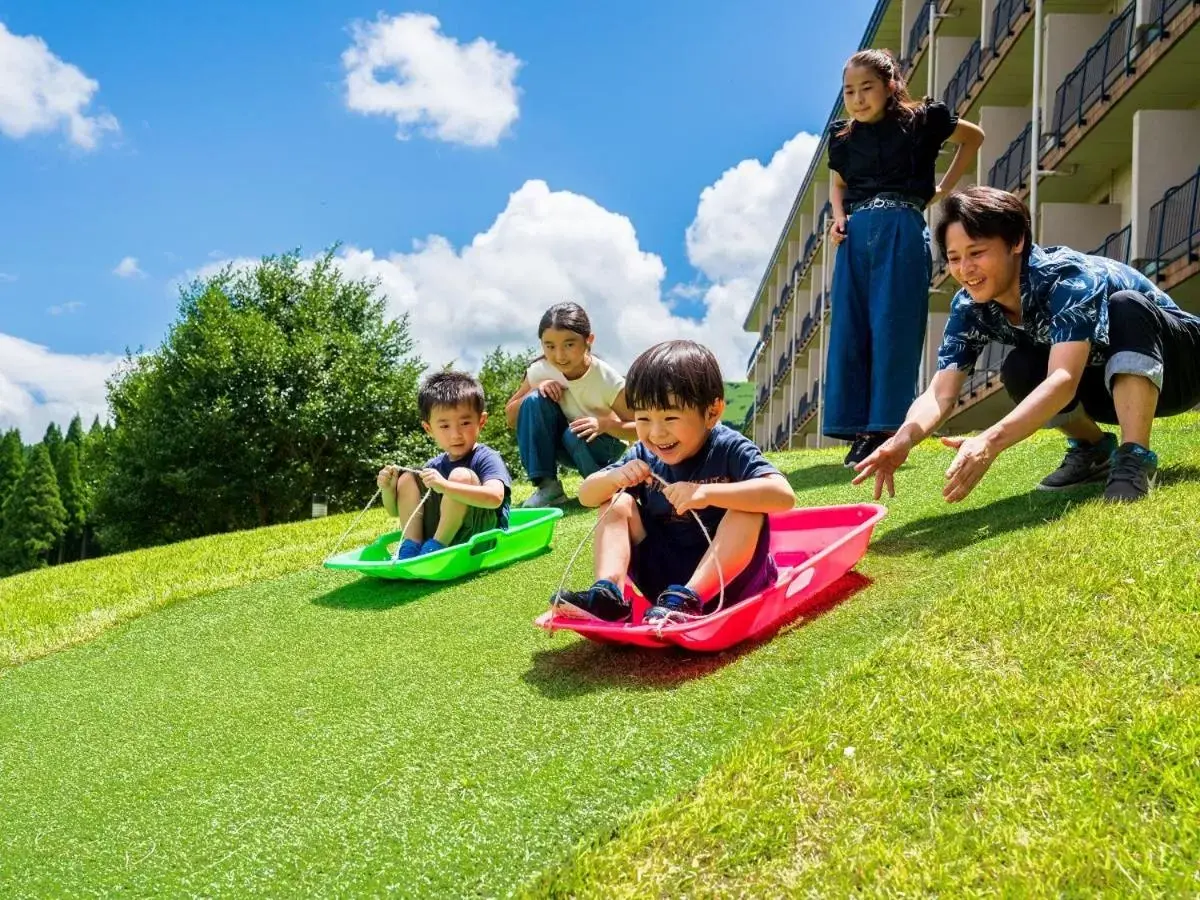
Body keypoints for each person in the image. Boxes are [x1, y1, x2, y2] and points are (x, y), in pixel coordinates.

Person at [855, 185, 1200, 504]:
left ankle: (1134, 456)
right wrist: (904, 438)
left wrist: (989, 441)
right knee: (1020, 367)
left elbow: (1064, 379)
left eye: (976, 252)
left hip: (1181, 368)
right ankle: (1094, 451)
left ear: (1017, 241)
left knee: (1126, 304)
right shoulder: (969, 306)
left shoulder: (1068, 277)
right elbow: (940, 393)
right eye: (955, 258)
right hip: (1108, 380)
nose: (965, 269)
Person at [549, 340, 795, 625]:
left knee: (747, 507)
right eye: (643, 417)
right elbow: (586, 495)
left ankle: (691, 597)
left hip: (733, 579)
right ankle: (608, 596)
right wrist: (614, 477)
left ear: (712, 412)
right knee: (618, 501)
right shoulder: (642, 454)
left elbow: (783, 495)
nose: (656, 433)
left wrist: (706, 493)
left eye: (670, 417)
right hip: (664, 586)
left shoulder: (729, 447)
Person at [825, 48, 985, 467]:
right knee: (851, 328)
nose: (857, 99)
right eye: (849, 91)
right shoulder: (843, 136)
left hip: (901, 225)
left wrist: (944, 188)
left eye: (867, 89)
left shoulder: (921, 120)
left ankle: (884, 429)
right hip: (856, 236)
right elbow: (837, 184)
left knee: (893, 327)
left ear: (890, 86)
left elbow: (974, 137)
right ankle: (858, 428)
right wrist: (839, 219)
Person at [505, 302, 635, 507]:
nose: (559, 355)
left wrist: (605, 424)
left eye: (569, 344)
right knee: (533, 400)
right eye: (550, 346)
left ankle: (602, 483)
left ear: (588, 340)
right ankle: (549, 489)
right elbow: (511, 418)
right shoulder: (540, 371)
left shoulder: (606, 379)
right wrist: (536, 389)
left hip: (603, 446)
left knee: (574, 431)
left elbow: (641, 429)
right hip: (565, 444)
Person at [377, 371, 512, 559]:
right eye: (444, 426)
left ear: (481, 421)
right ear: (429, 429)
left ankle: (437, 547)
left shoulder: (486, 457)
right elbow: (394, 512)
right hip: (447, 537)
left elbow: (495, 497)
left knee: (460, 476)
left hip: (481, 538)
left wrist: (446, 486)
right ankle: (411, 547)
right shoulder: (434, 465)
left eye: (465, 423)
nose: (455, 434)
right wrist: (389, 490)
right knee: (409, 477)